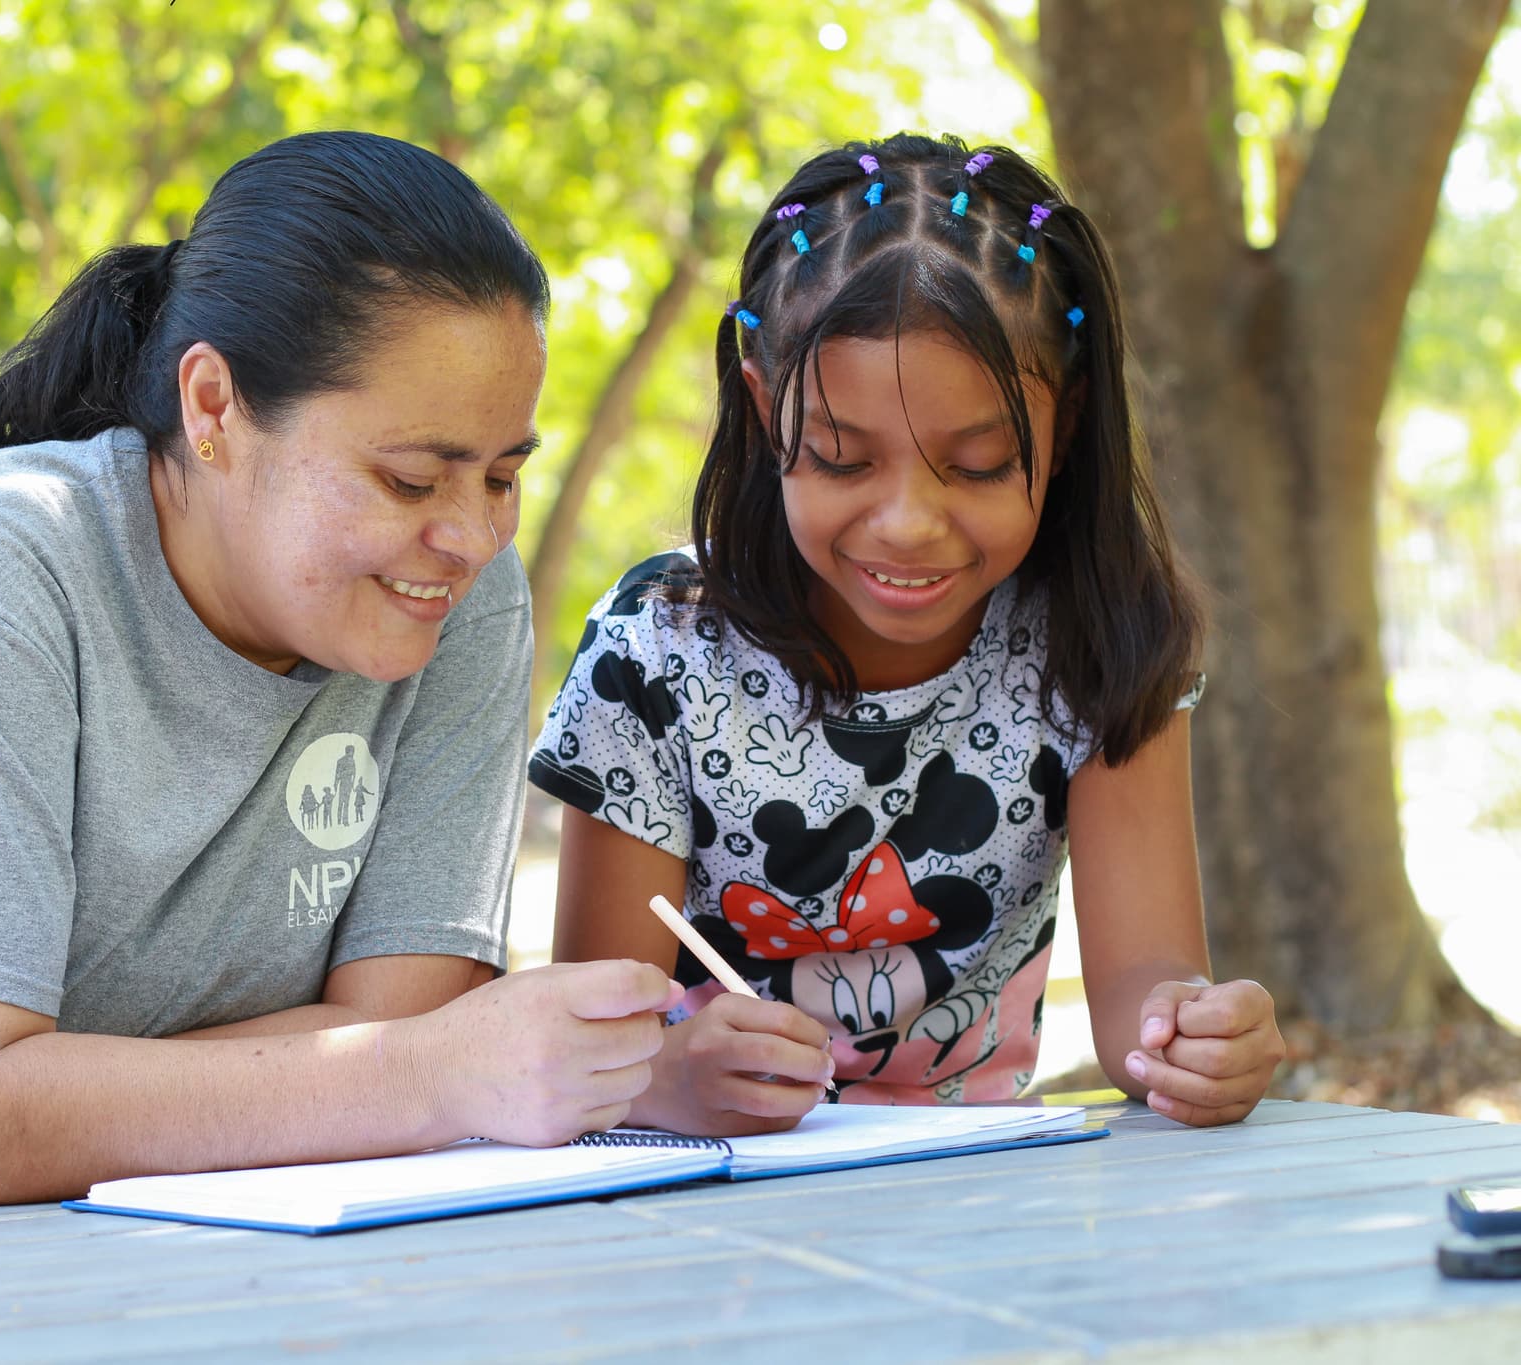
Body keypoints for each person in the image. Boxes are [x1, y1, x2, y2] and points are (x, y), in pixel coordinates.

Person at [0, 131, 679, 1212]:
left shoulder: (457, 599)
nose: (467, 534)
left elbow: (407, 1018)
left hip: (138, 1243)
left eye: (503, 476)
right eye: (409, 478)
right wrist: (423, 1075)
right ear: (214, 408)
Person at [530, 134, 1284, 1139]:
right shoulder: (653, 657)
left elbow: (1141, 1000)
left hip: (969, 1200)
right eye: (842, 460)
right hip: (698, 1201)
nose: (906, 524)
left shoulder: (1095, 644)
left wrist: (1190, 1038)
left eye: (974, 467)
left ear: (1064, 430)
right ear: (762, 413)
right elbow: (584, 1041)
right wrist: (665, 1076)